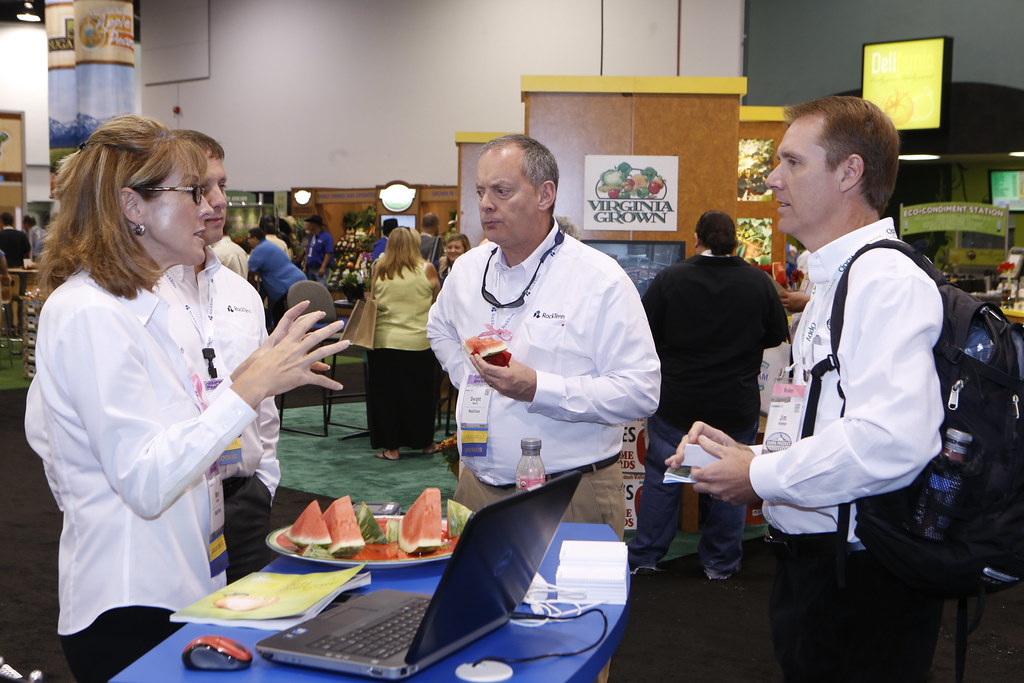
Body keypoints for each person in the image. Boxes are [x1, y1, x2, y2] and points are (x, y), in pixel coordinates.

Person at [24, 114, 348, 683]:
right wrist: (248, 387)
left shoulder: (157, 305)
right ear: (132, 206)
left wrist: (255, 382)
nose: (210, 207)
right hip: (126, 601)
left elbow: (186, 435)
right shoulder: (87, 313)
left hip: (189, 582)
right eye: (193, 191)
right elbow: (144, 481)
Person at [666, 96, 945, 682]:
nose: (772, 178)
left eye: (793, 162)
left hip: (862, 575)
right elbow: (832, 422)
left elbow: (893, 438)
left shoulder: (883, 279)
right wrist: (750, 458)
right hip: (821, 568)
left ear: (849, 173)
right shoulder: (835, 281)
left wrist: (760, 476)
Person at [427, 134, 660, 537]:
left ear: (544, 194)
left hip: (569, 493)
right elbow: (439, 327)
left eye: (501, 191)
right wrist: (469, 379)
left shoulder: (599, 279)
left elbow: (641, 391)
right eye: (482, 191)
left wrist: (537, 388)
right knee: (477, 602)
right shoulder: (466, 269)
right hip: (474, 489)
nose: (485, 203)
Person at [627, 210, 788, 578]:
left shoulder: (671, 279)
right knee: (731, 487)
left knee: (666, 478)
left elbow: (645, 333)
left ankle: (646, 557)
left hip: (678, 406)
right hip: (734, 406)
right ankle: (720, 563)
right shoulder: (758, 283)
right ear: (736, 242)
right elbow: (776, 334)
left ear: (697, 238)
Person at [157, 130, 281, 584]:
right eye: (200, 189)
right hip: (176, 504)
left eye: (221, 186)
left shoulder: (242, 293)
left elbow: (263, 395)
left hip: (246, 497)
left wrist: (265, 477)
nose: (218, 200)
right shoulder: (139, 297)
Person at [368, 226, 441, 460]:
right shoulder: (427, 269)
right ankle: (426, 442)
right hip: (419, 343)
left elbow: (372, 301)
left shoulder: (379, 269)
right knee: (421, 395)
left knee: (387, 398)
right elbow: (437, 301)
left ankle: (391, 448)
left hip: (384, 342)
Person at [247, 227, 307, 328]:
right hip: (297, 279)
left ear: (255, 238)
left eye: (249, 238)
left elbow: (251, 269)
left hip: (285, 286)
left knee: (281, 316)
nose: (248, 241)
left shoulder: (259, 249)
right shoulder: (270, 245)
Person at [302, 214, 334, 283]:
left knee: (320, 289)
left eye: (311, 223)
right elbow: (308, 253)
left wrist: (323, 267)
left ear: (315, 224)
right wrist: (305, 266)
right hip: (310, 268)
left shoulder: (326, 237)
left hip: (319, 268)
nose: (309, 225)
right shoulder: (312, 237)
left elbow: (328, 253)